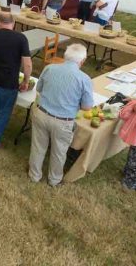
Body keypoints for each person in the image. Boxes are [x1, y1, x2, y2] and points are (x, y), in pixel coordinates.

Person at [29, 44, 93, 187]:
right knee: (59, 152)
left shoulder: (49, 68)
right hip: (63, 121)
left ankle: (34, 175)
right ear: (82, 61)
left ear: (65, 56)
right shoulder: (84, 79)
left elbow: (39, 88)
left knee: (38, 146)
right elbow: (87, 106)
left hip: (41, 113)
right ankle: (54, 180)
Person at [0, 12, 32, 149]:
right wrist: (26, 81)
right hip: (9, 81)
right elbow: (27, 64)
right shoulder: (21, 38)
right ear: (13, 23)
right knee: (4, 112)